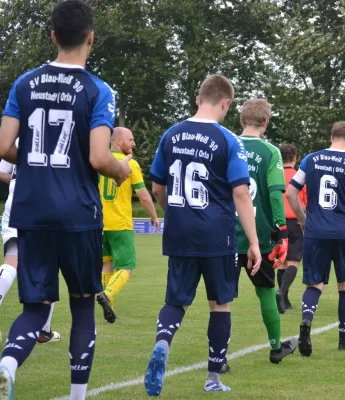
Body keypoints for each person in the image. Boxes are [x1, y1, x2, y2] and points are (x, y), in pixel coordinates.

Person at [0, 1, 132, 398]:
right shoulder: (97, 90)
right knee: (81, 306)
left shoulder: (24, 83)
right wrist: (121, 170)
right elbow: (97, 156)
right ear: (91, 37)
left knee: (35, 307)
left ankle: (7, 363)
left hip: (32, 210)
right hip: (78, 213)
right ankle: (76, 396)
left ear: (54, 36)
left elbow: (5, 146)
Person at [144, 74, 260, 395]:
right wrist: (252, 242)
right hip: (217, 235)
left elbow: (157, 186)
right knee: (220, 304)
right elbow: (240, 193)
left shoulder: (170, 134)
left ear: (198, 99)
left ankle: (163, 343)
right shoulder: (228, 140)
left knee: (176, 300)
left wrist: (178, 214)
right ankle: (213, 379)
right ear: (226, 103)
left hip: (180, 231)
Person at [286, 121, 345, 356]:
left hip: (315, 230)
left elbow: (292, 192)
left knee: (314, 283)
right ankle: (343, 341)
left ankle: (306, 320)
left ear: (331, 136)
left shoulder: (310, 159)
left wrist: (303, 219)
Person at [226, 98, 297, 371]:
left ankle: (218, 357)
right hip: (261, 236)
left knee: (222, 299)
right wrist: (281, 231)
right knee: (266, 291)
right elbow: (275, 193)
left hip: (227, 236)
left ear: (242, 119)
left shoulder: (228, 145)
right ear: (265, 122)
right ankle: (276, 348)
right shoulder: (271, 152)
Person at [96, 127, 160, 323]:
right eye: (130, 140)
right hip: (120, 224)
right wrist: (154, 216)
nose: (134, 143)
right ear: (119, 141)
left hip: (99, 224)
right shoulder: (130, 164)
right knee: (126, 266)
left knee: (107, 263)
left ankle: (110, 309)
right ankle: (107, 295)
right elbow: (143, 195)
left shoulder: (99, 162)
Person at [0, 143, 61, 345]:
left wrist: (18, 179)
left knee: (12, 259)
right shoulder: (61, 127)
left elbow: (2, 171)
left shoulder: (18, 136)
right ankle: (43, 330)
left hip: (15, 200)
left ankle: (44, 329)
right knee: (47, 264)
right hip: (43, 202)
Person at [276, 143, 307, 313]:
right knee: (294, 261)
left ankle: (284, 300)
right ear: (295, 158)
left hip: (278, 223)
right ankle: (281, 293)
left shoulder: (274, 174)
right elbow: (303, 203)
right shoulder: (299, 177)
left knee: (282, 262)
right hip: (294, 222)